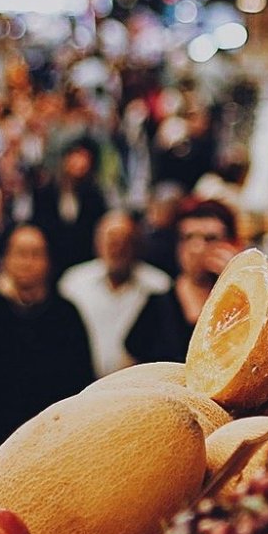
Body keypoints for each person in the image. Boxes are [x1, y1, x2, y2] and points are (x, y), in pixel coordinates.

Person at [0, 225, 96, 510]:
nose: (27, 262)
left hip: (46, 444)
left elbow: (81, 383)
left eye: (35, 254)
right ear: (5, 259)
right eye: (19, 253)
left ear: (49, 262)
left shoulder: (66, 315)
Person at [125, 199, 239, 363]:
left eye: (210, 238)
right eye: (188, 237)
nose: (197, 248)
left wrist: (238, 276)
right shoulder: (158, 303)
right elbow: (130, 364)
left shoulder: (237, 302)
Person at [59, 211, 171, 376]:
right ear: (97, 243)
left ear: (137, 244)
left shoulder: (159, 286)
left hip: (139, 388)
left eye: (125, 241)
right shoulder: (73, 284)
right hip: (79, 385)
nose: (117, 248)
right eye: (111, 240)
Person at [35, 137, 108, 276]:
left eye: (85, 159)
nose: (80, 164)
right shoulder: (45, 193)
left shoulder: (95, 196)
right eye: (76, 157)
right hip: (52, 262)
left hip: (83, 264)